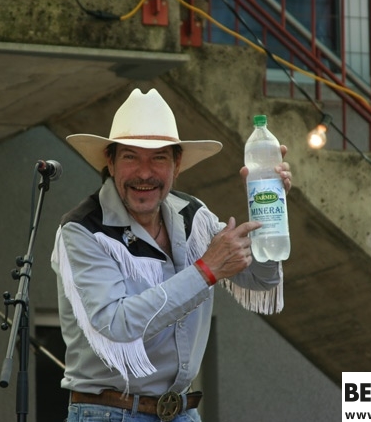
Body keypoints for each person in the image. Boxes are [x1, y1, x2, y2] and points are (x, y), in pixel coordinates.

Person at [51, 88, 292, 422]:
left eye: (159, 158)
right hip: (108, 413)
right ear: (111, 162)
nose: (144, 173)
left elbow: (260, 280)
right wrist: (205, 270)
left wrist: (268, 210)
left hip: (181, 412)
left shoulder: (193, 214)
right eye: (131, 157)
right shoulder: (82, 229)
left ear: (177, 166)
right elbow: (117, 324)